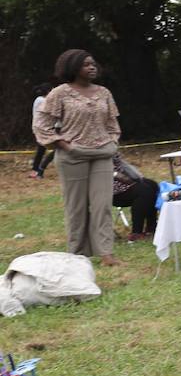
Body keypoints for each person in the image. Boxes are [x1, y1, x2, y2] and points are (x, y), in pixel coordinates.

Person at [31, 49, 121, 266]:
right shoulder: (59, 93)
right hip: (73, 156)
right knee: (76, 206)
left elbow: (112, 123)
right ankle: (78, 255)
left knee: (103, 204)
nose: (92, 67)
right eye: (86, 65)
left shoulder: (104, 93)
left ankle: (106, 253)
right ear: (72, 68)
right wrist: (62, 144)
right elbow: (40, 124)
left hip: (102, 154)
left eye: (93, 64)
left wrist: (112, 142)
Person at [111, 153, 158, 240]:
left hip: (122, 177)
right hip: (109, 185)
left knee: (153, 185)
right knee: (144, 190)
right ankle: (136, 232)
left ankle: (151, 228)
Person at [30, 84, 55, 179]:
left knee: (41, 149)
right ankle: (38, 169)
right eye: (52, 90)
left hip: (43, 127)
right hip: (42, 128)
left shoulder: (40, 100)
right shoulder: (41, 100)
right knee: (54, 149)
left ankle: (36, 169)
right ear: (48, 91)